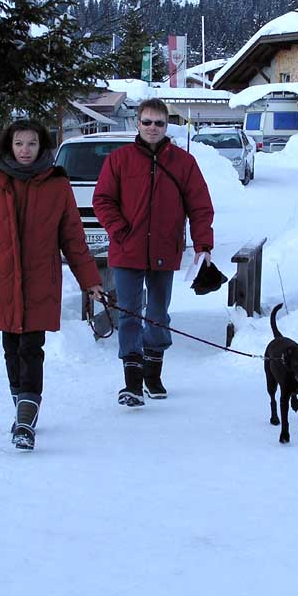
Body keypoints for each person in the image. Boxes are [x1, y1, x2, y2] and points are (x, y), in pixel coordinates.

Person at [0, 119, 103, 450]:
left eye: (31, 144)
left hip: (40, 281)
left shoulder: (57, 185)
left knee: (31, 349)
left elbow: (73, 238)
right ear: (9, 146)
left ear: (41, 147)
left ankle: (25, 424)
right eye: (19, 144)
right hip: (4, 281)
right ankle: (24, 411)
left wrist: (90, 280)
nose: (25, 150)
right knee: (11, 349)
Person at [93, 99, 214, 407]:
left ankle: (153, 374)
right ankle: (132, 383)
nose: (152, 128)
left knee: (157, 314)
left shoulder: (183, 163)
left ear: (166, 126)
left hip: (164, 250)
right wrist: (120, 230)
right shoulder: (119, 160)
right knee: (129, 313)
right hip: (127, 250)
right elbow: (103, 199)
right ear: (137, 123)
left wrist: (203, 246)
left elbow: (200, 208)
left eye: (158, 123)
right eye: (147, 122)